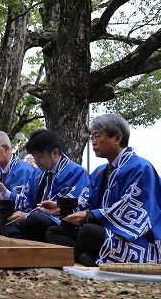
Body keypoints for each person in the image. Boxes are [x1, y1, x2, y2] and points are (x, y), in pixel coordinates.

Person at [46, 114, 161, 266]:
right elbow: (87, 200)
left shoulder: (140, 167)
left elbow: (133, 210)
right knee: (54, 231)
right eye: (91, 137)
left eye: (98, 136)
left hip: (134, 238)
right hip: (101, 229)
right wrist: (62, 207)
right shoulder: (100, 171)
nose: (93, 142)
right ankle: (84, 257)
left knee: (88, 232)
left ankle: (87, 255)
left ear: (117, 138)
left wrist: (90, 216)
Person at [6, 129, 90, 242]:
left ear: (55, 153)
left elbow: (72, 207)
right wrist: (5, 194)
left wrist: (26, 216)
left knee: (34, 220)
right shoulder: (37, 173)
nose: (36, 161)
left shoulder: (75, 172)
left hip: (61, 225)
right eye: (33, 156)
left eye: (39, 156)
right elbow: (26, 201)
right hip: (36, 218)